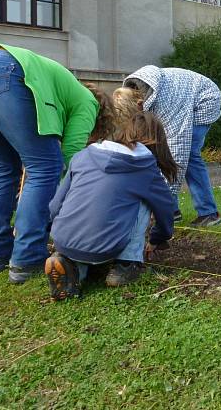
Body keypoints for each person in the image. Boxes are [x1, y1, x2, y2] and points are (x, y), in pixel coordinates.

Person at [0, 43, 111, 284]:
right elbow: (72, 156)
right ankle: (27, 257)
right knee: (45, 167)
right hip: (3, 70)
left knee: (3, 166)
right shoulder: (87, 102)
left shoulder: (62, 89)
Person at [45, 112, 178, 300]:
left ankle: (69, 265)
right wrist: (158, 238)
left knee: (80, 252)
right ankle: (127, 263)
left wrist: (49, 228)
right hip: (108, 245)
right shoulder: (145, 169)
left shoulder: (83, 155)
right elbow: (166, 210)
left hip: (64, 239)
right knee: (142, 200)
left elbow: (56, 203)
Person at [123, 66, 221, 229]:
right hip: (183, 97)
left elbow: (178, 150)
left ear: (140, 102)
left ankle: (209, 213)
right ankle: (172, 211)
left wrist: (164, 197)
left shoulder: (165, 101)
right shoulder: (134, 90)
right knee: (157, 151)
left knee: (189, 156)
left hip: (204, 100)